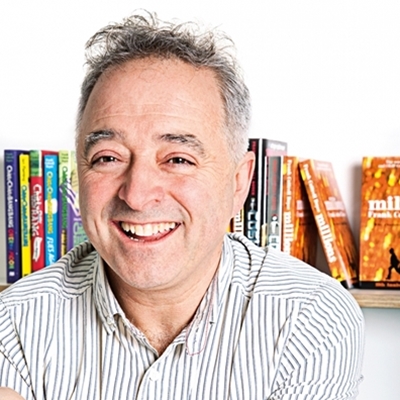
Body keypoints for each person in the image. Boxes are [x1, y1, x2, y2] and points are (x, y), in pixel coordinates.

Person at [0, 10, 364, 399]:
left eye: (178, 159)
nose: (137, 195)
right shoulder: (14, 323)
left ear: (238, 183)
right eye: (108, 157)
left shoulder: (311, 318)